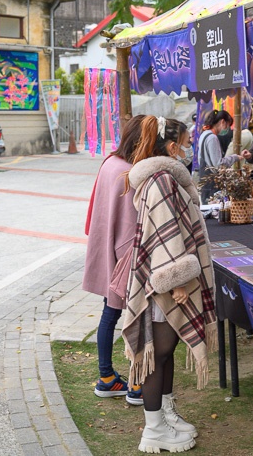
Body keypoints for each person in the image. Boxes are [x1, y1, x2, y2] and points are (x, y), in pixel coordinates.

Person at [123, 116, 216, 453]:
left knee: (165, 353)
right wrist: (178, 283)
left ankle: (165, 415)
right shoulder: (161, 179)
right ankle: (153, 429)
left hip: (163, 280)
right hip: (166, 285)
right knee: (157, 354)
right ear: (173, 146)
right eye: (187, 141)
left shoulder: (160, 176)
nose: (190, 147)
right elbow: (166, 233)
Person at [81, 115, 148, 407]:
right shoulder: (131, 173)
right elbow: (135, 222)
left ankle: (107, 378)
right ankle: (135, 383)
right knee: (137, 317)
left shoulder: (110, 162)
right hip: (125, 255)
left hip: (107, 247)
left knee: (110, 314)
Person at [197, 110, 238, 203]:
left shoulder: (204, 134)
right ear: (222, 122)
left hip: (204, 181)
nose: (227, 129)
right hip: (212, 184)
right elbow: (219, 164)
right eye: (228, 125)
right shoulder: (212, 137)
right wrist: (235, 157)